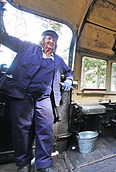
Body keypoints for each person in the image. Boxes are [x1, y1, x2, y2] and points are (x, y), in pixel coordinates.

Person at [0, 2, 73, 171]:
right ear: (42, 39)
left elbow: (69, 71)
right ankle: (24, 163)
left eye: (54, 39)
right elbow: (2, 36)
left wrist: (68, 79)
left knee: (46, 130)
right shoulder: (27, 47)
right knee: (21, 130)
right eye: (48, 38)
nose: (51, 41)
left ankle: (43, 164)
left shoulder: (58, 60)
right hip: (22, 95)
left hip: (44, 97)